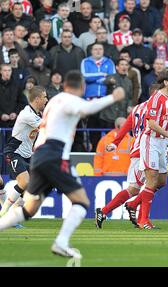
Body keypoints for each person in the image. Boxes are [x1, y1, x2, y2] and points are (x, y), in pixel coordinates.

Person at [0, 71, 125, 258]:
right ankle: (61, 242)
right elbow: (87, 109)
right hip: (55, 155)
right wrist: (112, 97)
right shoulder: (68, 99)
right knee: (82, 202)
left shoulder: (53, 103)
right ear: (81, 86)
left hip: (40, 155)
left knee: (29, 209)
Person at [125, 68, 168, 229]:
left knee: (161, 181)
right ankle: (143, 220)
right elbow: (151, 124)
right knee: (152, 179)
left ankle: (134, 204)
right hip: (151, 141)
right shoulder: (156, 99)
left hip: (161, 143)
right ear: (166, 82)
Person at [95, 100, 155, 228]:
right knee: (150, 184)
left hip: (147, 151)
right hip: (144, 152)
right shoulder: (154, 108)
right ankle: (142, 219)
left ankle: (107, 211)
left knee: (153, 183)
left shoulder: (137, 109)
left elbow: (127, 127)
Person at [0, 87, 47, 217]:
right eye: (44, 97)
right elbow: (46, 126)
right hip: (14, 152)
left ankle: (13, 213)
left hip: (27, 155)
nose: (46, 100)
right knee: (24, 182)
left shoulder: (37, 114)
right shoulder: (27, 114)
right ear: (37, 99)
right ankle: (3, 213)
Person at [0, 64, 27, 128]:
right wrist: (1, 115)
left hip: (14, 122)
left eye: (9, 70)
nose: (7, 72)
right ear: (0, 71)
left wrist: (16, 113)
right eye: (5, 70)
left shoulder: (17, 85)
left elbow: (23, 102)